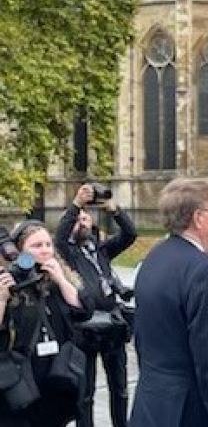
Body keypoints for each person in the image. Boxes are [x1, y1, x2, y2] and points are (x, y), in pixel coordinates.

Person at [129, 178, 208, 427]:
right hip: (191, 411)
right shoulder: (204, 272)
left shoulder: (153, 260)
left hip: (153, 406)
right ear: (199, 218)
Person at [54, 183, 138, 427]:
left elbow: (130, 235)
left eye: (86, 218)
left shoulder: (101, 250)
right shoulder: (67, 252)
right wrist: (77, 203)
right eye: (78, 219)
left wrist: (113, 210)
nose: (83, 222)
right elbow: (60, 235)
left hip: (111, 325)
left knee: (120, 388)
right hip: (86, 327)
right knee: (86, 390)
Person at [0, 220, 94, 427]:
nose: (44, 250)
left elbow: (84, 309)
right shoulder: (9, 281)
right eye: (36, 246)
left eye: (47, 244)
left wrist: (61, 279)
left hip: (55, 374)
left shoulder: (57, 278)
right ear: (19, 251)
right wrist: (2, 299)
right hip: (22, 376)